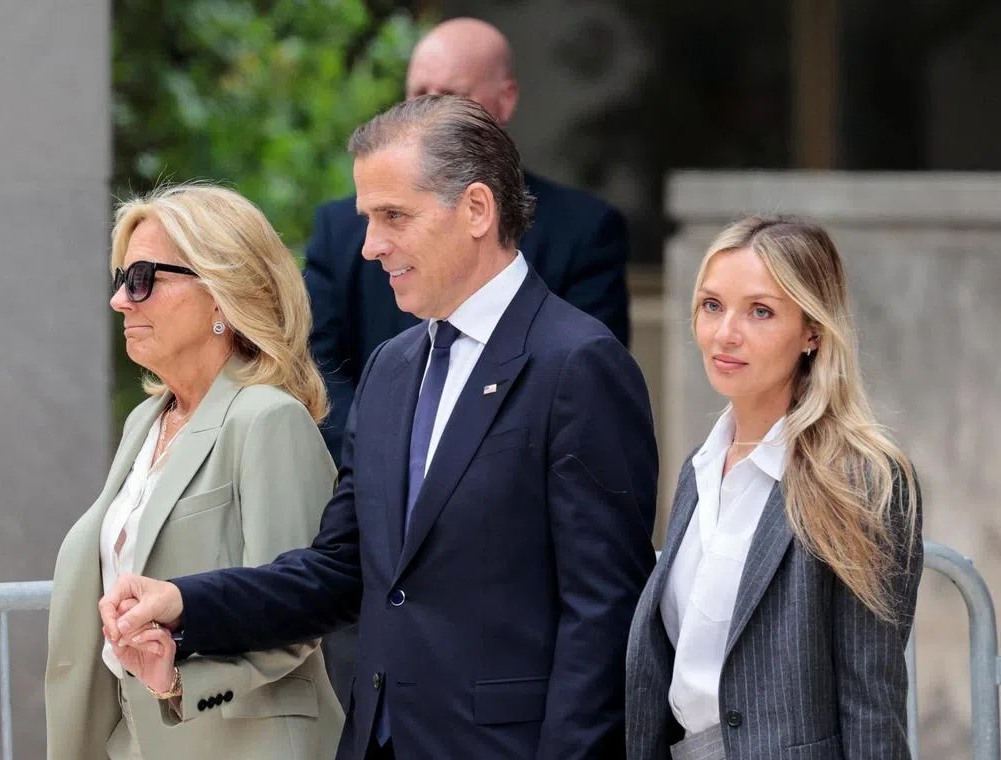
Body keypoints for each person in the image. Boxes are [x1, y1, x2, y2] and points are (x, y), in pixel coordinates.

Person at [100, 96, 659, 760]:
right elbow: (339, 570)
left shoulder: (578, 364)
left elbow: (603, 616)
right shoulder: (391, 368)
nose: (370, 246)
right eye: (367, 219)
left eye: (393, 216)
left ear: (477, 209)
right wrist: (183, 604)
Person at [45, 184, 344, 760]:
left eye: (143, 279)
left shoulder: (269, 420)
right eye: (121, 279)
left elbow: (298, 610)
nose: (120, 301)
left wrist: (180, 684)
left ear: (222, 296)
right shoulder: (145, 422)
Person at [625, 216, 923, 760]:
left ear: (813, 331)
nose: (726, 333)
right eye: (712, 305)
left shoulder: (862, 480)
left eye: (760, 311)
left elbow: (872, 701)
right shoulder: (700, 468)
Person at [306, 16, 632, 467]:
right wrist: (379, 464)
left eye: (451, 95)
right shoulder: (341, 231)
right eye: (420, 93)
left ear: (505, 100)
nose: (374, 243)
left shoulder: (583, 232)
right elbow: (317, 366)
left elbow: (583, 397)